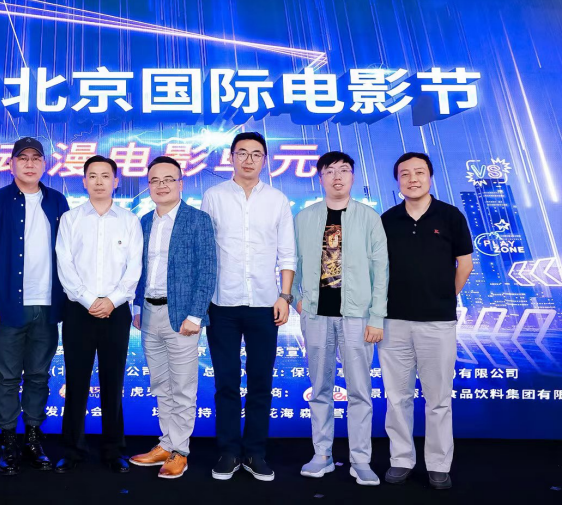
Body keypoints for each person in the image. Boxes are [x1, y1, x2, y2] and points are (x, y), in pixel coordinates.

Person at [201, 131, 295, 482]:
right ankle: (228, 451)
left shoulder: (277, 200)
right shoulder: (213, 196)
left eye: (256, 154)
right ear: (231, 157)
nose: (249, 159)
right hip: (221, 304)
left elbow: (287, 253)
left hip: (265, 304)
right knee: (225, 382)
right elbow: (205, 249)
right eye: (242, 153)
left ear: (265, 160)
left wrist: (284, 296)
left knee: (260, 381)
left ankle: (255, 452)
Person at [0, 137, 70, 475]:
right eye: (23, 158)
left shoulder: (58, 201)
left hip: (48, 305)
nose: (30, 164)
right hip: (8, 305)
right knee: (7, 376)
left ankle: (32, 437)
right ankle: (9, 440)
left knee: (39, 375)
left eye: (36, 158)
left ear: (44, 164)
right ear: (11, 164)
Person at [378, 152, 473, 490]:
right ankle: (401, 459)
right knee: (397, 397)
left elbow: (464, 264)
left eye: (419, 172)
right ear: (398, 180)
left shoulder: (450, 216)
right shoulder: (387, 219)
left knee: (438, 398)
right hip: (393, 322)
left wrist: (445, 296)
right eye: (405, 173)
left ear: (430, 177)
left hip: (438, 323)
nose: (412, 179)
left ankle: (438, 464)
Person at [293, 151, 388, 486]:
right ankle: (322, 455)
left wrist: (377, 316)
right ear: (320, 178)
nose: (337, 177)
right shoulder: (305, 218)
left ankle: (361, 459)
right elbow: (292, 260)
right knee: (320, 388)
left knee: (360, 391)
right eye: (330, 171)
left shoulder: (368, 217)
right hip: (317, 316)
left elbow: (381, 270)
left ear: (352, 177)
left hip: (357, 317)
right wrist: (297, 299)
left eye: (344, 170)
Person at [128, 156, 216, 479]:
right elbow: (139, 268)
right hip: (148, 313)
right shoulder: (143, 222)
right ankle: (166, 443)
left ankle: (180, 450)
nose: (161, 185)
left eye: (169, 179)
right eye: (155, 180)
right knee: (161, 384)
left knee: (182, 386)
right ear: (149, 186)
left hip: (181, 316)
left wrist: (196, 315)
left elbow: (207, 269)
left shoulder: (197, 220)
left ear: (181, 183)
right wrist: (137, 307)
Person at [54, 155, 143, 473]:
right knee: (76, 381)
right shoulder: (71, 219)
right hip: (78, 310)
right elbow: (64, 265)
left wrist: (113, 300)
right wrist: (89, 299)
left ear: (116, 181)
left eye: (106, 176)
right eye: (92, 175)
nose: (99, 181)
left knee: (112, 380)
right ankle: (72, 450)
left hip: (116, 312)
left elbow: (134, 268)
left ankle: (113, 450)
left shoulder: (129, 220)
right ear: (84, 181)